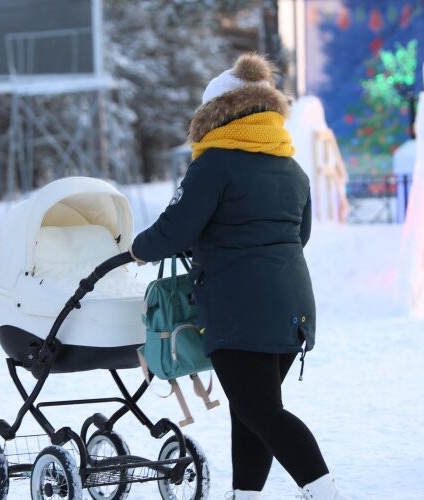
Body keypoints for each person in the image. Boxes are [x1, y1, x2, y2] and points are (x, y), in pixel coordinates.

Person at [130, 53, 345, 500]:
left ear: (215, 115)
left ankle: (324, 491)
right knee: (252, 410)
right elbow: (297, 235)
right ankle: (245, 494)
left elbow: (175, 228)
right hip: (294, 309)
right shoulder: (292, 168)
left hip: (239, 311)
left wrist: (137, 249)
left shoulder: (215, 164)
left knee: (260, 411)